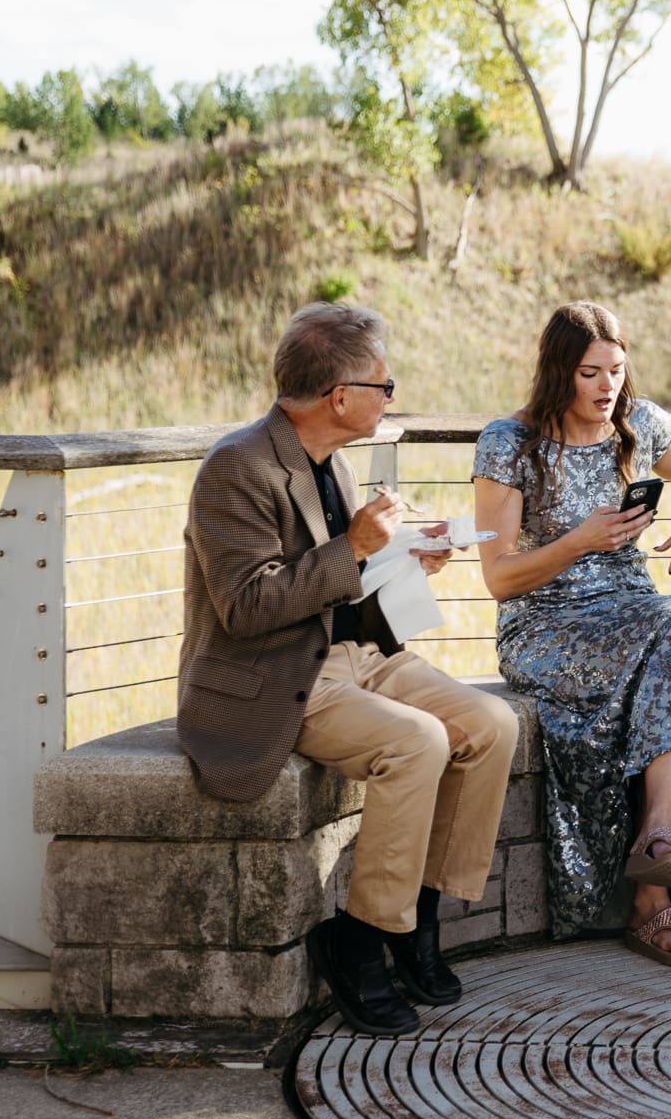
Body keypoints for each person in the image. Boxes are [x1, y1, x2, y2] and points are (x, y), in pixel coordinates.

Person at [179, 302, 518, 1037]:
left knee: (492, 723)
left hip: (356, 654)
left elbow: (340, 583)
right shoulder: (235, 468)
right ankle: (359, 939)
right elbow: (245, 605)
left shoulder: (330, 459)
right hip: (279, 675)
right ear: (339, 396)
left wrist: (403, 554)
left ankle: (416, 917)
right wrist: (357, 546)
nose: (390, 396)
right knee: (418, 741)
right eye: (383, 386)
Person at [471, 301, 671, 969]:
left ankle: (655, 842)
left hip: (633, 615)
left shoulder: (639, 426)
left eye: (616, 370)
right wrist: (579, 540)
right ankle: (657, 866)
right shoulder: (508, 442)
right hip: (545, 623)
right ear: (558, 371)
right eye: (590, 372)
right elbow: (500, 578)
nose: (606, 387)